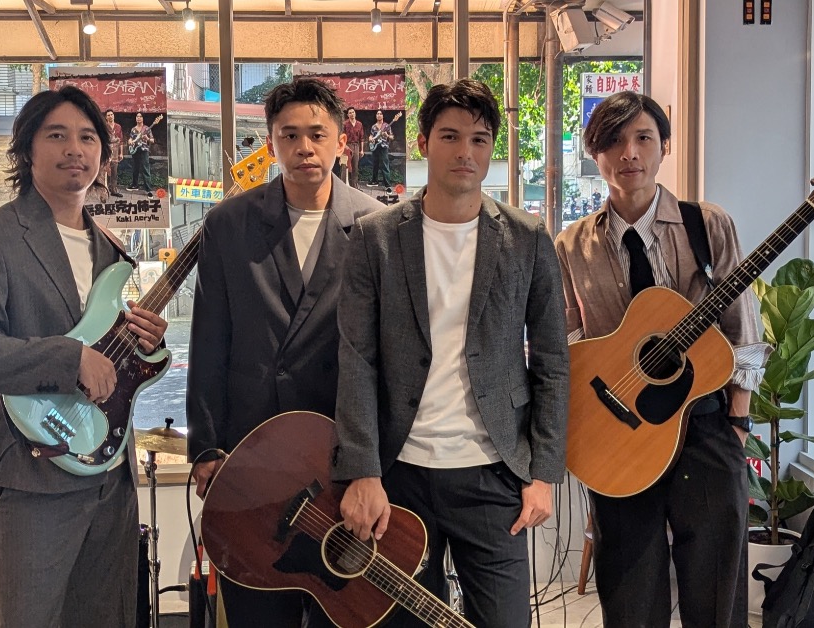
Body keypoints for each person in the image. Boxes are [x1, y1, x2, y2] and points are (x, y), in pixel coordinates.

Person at [334, 78, 569, 628]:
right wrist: (362, 470)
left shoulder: (527, 237)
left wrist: (544, 473)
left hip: (493, 472)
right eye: (450, 136)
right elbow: (356, 359)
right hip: (401, 472)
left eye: (479, 139)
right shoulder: (375, 237)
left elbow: (553, 362)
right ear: (423, 143)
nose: (466, 151)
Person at [0, 85, 168, 627]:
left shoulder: (110, 248)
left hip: (112, 469)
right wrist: (69, 358)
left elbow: (109, 356)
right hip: (35, 469)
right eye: (57, 135)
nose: (75, 150)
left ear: (104, 154)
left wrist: (145, 343)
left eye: (88, 138)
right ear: (26, 149)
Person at [553, 91, 769, 627]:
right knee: (629, 593)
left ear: (664, 147)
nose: (629, 152)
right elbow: (567, 343)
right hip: (619, 434)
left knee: (716, 589)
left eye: (643, 138)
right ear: (595, 154)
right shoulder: (571, 245)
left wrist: (737, 422)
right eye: (613, 141)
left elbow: (742, 328)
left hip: (705, 425)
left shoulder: (707, 226)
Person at [186, 76, 381, 628]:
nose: (304, 148)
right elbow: (209, 340)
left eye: (317, 134)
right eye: (289, 135)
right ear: (271, 143)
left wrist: (373, 464)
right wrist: (206, 447)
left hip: (337, 456)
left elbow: (385, 355)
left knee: (340, 610)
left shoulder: (376, 226)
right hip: (251, 455)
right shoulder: (229, 224)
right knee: (257, 605)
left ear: (341, 140)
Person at [128, 112, 155, 195]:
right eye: (137, 116)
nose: (138, 118)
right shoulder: (133, 129)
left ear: (142, 118)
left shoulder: (147, 128)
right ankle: (134, 185)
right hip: (135, 150)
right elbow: (130, 139)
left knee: (145, 169)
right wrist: (130, 141)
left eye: (140, 116)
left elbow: (152, 140)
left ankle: (148, 189)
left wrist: (147, 139)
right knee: (135, 168)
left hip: (144, 150)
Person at [368, 109, 393, 188]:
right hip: (375, 147)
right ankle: (374, 181)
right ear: (376, 116)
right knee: (375, 165)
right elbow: (371, 135)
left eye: (380, 114)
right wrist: (370, 139)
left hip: (383, 147)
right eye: (377, 114)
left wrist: (387, 136)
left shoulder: (386, 126)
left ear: (383, 116)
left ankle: (387, 185)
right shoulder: (373, 126)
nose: (379, 115)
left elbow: (392, 137)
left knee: (385, 165)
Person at [342, 107, 364, 186]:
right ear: (348, 115)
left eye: (353, 112)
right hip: (346, 146)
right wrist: (344, 145)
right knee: (345, 166)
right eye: (350, 113)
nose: (352, 114)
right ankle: (344, 185)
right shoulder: (344, 124)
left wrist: (362, 150)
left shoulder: (359, 124)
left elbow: (361, 138)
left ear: (355, 113)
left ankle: (354, 185)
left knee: (355, 166)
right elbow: (341, 136)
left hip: (356, 146)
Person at [104, 109, 124, 197]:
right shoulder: (104, 126)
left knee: (114, 172)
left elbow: (121, 141)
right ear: (106, 117)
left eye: (111, 114)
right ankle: (105, 189)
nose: (110, 116)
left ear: (114, 115)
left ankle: (114, 190)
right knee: (106, 171)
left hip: (115, 152)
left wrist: (121, 153)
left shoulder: (118, 127)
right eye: (108, 115)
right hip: (106, 152)